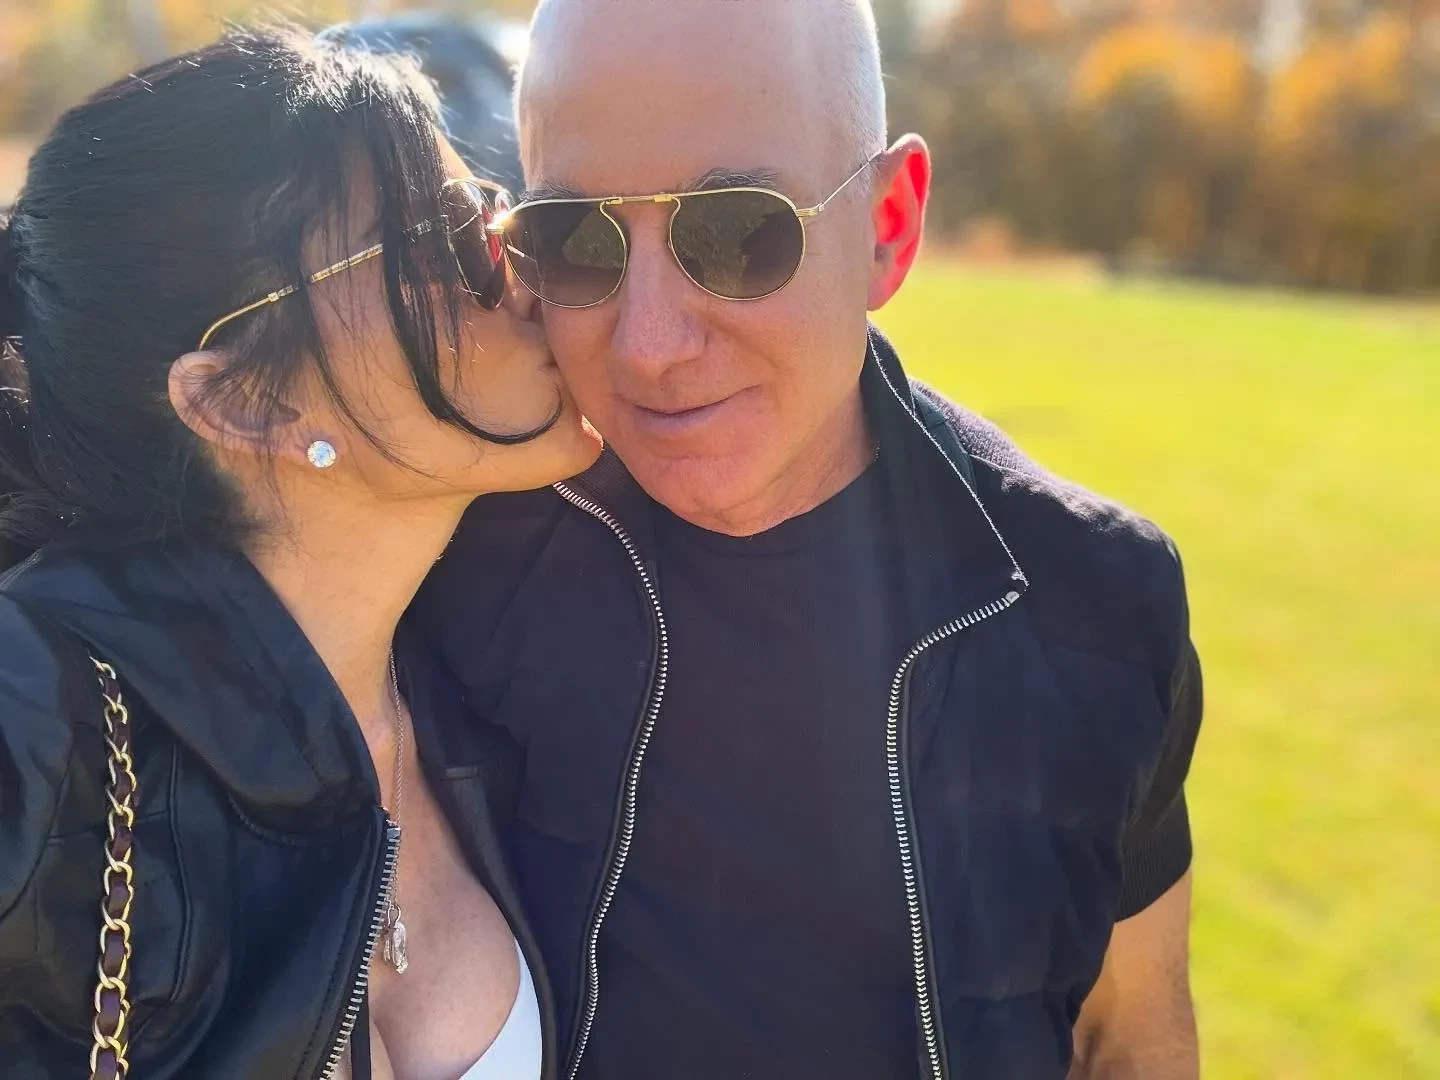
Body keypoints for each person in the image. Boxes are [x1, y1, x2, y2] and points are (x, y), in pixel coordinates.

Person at [410, 1, 1204, 1078]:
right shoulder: (460, 556)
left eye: (736, 233)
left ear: (888, 225)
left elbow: (1128, 1032)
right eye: (575, 242)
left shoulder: (1095, 601)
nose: (647, 345)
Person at [0, 29, 601, 1080]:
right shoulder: (33, 725)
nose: (522, 270)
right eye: (454, 240)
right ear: (245, 402)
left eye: (496, 211)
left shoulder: (503, 657)